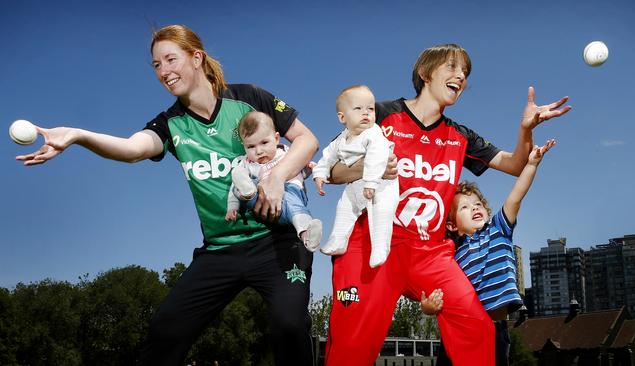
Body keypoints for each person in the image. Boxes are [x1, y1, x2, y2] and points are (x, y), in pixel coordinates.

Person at [15, 25, 318, 365]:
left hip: (276, 242)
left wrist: (277, 176)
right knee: (165, 334)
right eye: (156, 65)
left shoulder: (250, 98)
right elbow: (131, 149)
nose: (163, 71)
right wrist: (77, 134)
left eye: (170, 59)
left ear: (196, 57)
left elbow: (306, 140)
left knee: (289, 325)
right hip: (220, 250)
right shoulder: (170, 124)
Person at [324, 44, 571, 366]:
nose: (461, 77)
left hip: (430, 253)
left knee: (477, 326)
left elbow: (513, 164)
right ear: (425, 73)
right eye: (452, 68)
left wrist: (526, 129)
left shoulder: (458, 135)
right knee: (350, 341)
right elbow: (331, 171)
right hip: (369, 246)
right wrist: (367, 169)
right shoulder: (381, 114)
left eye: (465, 73)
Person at [421, 139, 557, 366]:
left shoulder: (498, 229)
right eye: (465, 207)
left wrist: (531, 165)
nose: (474, 208)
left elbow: (515, 196)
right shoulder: (452, 254)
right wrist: (428, 307)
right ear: (452, 225)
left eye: (477, 204)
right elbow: (439, 294)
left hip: (493, 329)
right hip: (459, 330)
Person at [312, 85, 399, 268]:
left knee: (382, 213)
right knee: (344, 207)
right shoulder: (342, 139)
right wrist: (319, 174)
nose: (366, 113)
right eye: (358, 109)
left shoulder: (373, 133)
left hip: (383, 184)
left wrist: (371, 182)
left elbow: (377, 158)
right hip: (357, 184)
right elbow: (327, 156)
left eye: (370, 108)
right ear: (342, 117)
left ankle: (380, 249)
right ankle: (338, 241)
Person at [227, 111, 322, 252]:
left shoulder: (285, 153)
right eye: (251, 147)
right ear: (244, 146)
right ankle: (248, 192)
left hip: (289, 190)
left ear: (276, 138)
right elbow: (233, 187)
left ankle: (306, 232)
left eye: (264, 143)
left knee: (291, 204)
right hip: (259, 199)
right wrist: (232, 207)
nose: (259, 151)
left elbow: (300, 169)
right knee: (238, 177)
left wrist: (309, 168)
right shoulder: (247, 162)